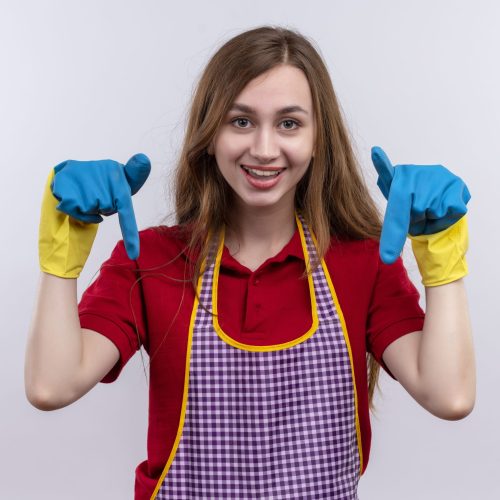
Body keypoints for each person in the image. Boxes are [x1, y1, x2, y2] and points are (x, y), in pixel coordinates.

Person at [25, 25, 476, 500]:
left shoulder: (361, 262)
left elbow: (450, 395)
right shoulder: (154, 259)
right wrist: (62, 254)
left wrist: (440, 255)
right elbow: (51, 386)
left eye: (289, 123)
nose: (263, 149)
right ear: (210, 134)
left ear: (319, 137)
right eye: (240, 121)